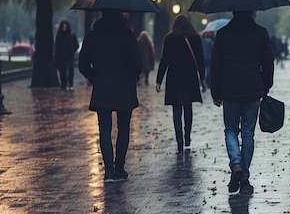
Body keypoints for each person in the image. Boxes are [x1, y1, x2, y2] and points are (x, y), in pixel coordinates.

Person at [211, 10, 274, 195]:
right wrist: (266, 85)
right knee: (248, 134)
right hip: (253, 89)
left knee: (230, 129)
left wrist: (216, 91)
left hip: (230, 89)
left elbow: (216, 65)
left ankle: (236, 164)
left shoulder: (223, 34)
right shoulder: (261, 32)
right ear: (253, 11)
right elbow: (268, 61)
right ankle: (244, 178)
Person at [78, 10, 142, 183]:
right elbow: (137, 63)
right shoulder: (127, 35)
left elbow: (83, 64)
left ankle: (108, 172)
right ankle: (119, 168)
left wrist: (95, 77)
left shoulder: (92, 36)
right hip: (124, 88)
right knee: (123, 128)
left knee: (104, 129)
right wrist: (132, 75)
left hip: (103, 88)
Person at [156, 15, 207, 152]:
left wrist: (159, 80)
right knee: (188, 107)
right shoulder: (195, 38)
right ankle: (187, 136)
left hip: (174, 77)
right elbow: (200, 60)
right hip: (190, 77)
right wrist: (202, 79)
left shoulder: (169, 38)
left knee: (176, 109)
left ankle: (179, 138)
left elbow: (164, 60)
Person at [54, 20, 79, 90]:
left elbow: (76, 45)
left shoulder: (71, 36)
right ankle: (63, 84)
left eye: (65, 27)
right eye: (63, 27)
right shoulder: (59, 37)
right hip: (62, 58)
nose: (64, 28)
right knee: (63, 72)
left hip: (70, 57)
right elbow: (57, 48)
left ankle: (70, 84)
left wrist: (72, 51)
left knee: (70, 72)